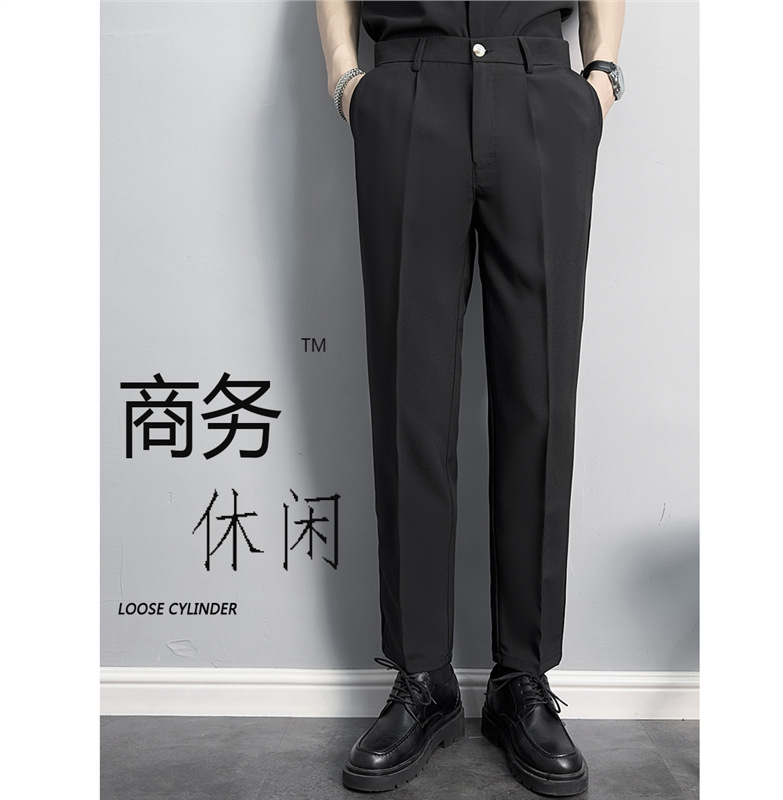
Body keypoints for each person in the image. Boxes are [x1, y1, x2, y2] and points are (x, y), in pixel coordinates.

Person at [316, 1, 625, 794]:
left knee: (539, 397)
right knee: (409, 396)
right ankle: (423, 677)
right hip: (408, 89)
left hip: (539, 92)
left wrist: (600, 77)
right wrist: (346, 77)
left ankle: (524, 679)